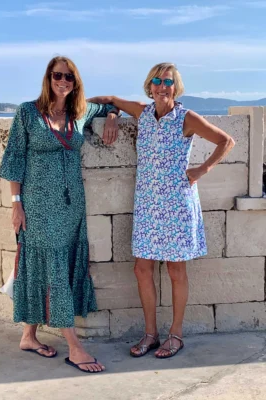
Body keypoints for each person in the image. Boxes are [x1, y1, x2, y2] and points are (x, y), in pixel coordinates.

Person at [88, 62, 235, 359]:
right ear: (149, 85)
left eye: (168, 82)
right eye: (157, 80)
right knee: (141, 268)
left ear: (175, 87)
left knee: (175, 269)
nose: (162, 86)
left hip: (176, 203)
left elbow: (226, 141)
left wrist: (201, 170)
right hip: (147, 203)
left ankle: (176, 336)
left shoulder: (186, 118)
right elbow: (105, 100)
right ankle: (150, 335)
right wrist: (114, 115)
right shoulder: (142, 112)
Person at [0, 56, 119, 373]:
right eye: (57, 75)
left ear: (75, 82)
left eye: (69, 77)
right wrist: (16, 202)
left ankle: (29, 336)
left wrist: (113, 117)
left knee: (53, 267)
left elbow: (108, 104)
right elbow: (14, 158)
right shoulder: (27, 112)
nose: (63, 81)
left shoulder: (79, 112)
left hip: (71, 206)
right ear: (48, 78)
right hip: (38, 207)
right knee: (51, 269)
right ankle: (75, 347)